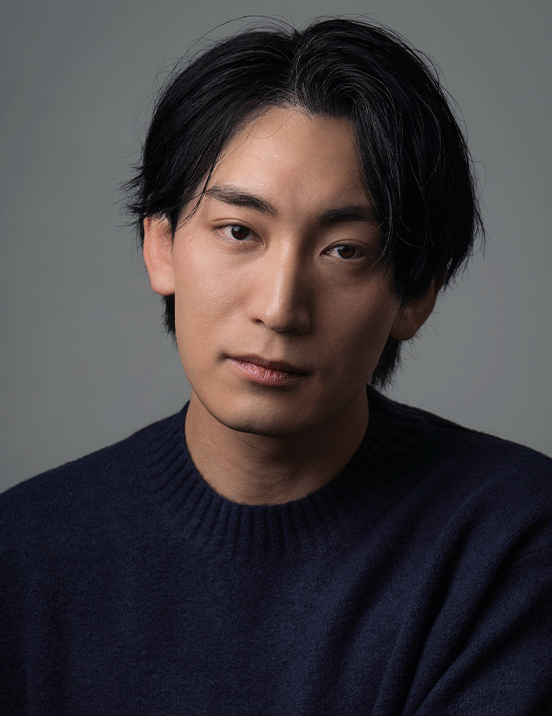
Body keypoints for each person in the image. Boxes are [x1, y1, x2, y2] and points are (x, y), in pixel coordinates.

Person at [1, 17, 551, 715]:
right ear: (160, 247)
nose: (280, 307)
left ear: (417, 295)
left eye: (345, 250)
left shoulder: (513, 540)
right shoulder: (24, 550)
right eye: (239, 231)